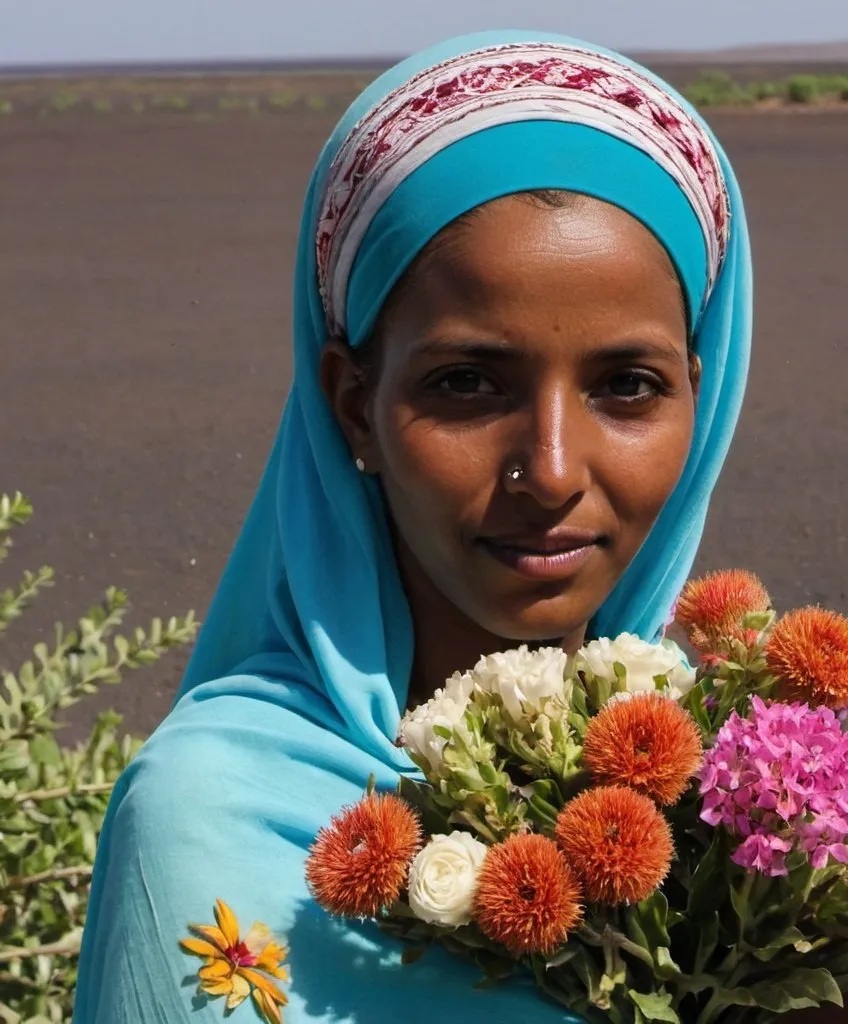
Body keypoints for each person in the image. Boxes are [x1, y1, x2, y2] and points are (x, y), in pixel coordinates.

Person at [73, 30, 751, 1023]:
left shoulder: (742, 798)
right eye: (468, 384)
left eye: (625, 386)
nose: (551, 471)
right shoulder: (208, 822)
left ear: (700, 400)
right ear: (355, 406)